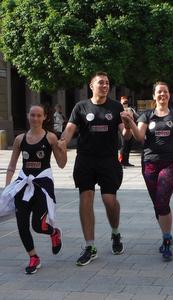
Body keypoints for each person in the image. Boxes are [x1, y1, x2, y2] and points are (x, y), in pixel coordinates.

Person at [59, 71, 131, 266]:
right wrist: (62, 142)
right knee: (86, 197)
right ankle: (90, 246)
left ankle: (115, 233)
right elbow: (70, 129)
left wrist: (128, 125)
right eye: (101, 82)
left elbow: (125, 135)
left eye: (107, 83)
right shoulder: (81, 107)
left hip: (108, 160)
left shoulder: (116, 107)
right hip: (86, 159)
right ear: (91, 86)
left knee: (109, 201)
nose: (105, 85)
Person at [123, 82, 173, 261]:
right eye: (159, 92)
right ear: (154, 96)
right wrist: (130, 121)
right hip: (149, 163)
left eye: (165, 91)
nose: (162, 94)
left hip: (170, 162)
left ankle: (167, 239)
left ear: (169, 95)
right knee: (158, 203)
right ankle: (166, 233)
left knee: (162, 200)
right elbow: (140, 137)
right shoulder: (146, 115)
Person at [1, 104, 67, 274]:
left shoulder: (51, 137)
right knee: (22, 225)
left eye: (39, 115)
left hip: (42, 186)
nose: (35, 118)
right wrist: (8, 188)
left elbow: (61, 164)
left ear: (44, 117)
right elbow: (11, 166)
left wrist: (63, 150)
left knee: (38, 225)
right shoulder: (19, 139)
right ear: (28, 116)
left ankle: (54, 232)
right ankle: (33, 257)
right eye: (33, 115)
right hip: (23, 185)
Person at [119, 96, 138, 167]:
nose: (125, 104)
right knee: (123, 146)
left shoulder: (131, 109)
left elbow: (137, 116)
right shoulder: (119, 110)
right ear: (121, 102)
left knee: (129, 145)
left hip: (131, 129)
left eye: (126, 102)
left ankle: (126, 161)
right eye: (124, 103)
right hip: (123, 129)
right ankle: (121, 161)